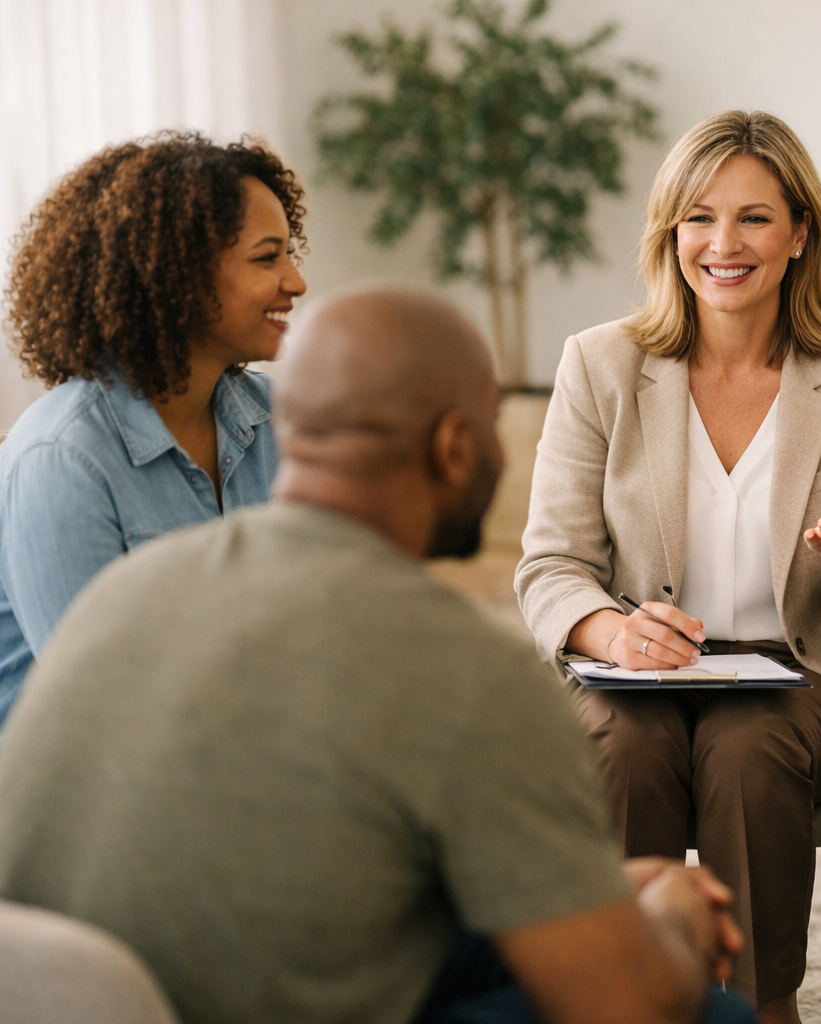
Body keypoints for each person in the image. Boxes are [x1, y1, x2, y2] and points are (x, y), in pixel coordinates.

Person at [0, 287, 756, 1024]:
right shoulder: (471, 676)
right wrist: (673, 927)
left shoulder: (126, 591)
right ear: (455, 446)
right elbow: (625, 1005)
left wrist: (583, 892)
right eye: (493, 425)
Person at [516, 110, 821, 1023]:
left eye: (753, 217)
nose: (723, 244)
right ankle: (626, 997)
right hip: (642, 674)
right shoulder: (601, 364)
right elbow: (550, 564)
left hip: (817, 676)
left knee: (748, 745)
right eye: (698, 217)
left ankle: (758, 1005)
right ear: (670, 232)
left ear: (799, 234)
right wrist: (610, 629)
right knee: (626, 745)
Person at [0, 132, 307, 724]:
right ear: (178, 276)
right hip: (88, 794)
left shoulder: (283, 419)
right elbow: (103, 712)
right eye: (267, 258)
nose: (294, 282)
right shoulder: (62, 457)